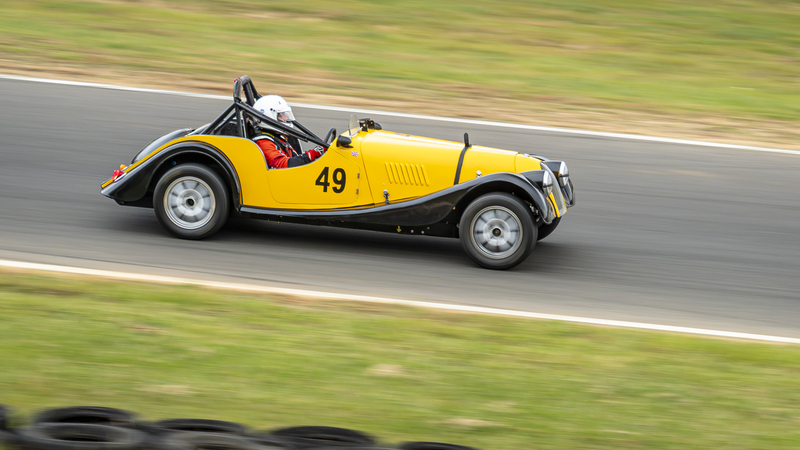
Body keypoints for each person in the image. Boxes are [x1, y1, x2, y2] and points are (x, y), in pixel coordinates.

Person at [251, 95, 325, 169]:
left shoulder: (279, 137)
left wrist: (317, 151)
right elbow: (283, 165)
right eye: (281, 116)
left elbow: (295, 158)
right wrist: (313, 153)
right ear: (269, 116)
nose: (285, 118)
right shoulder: (264, 143)